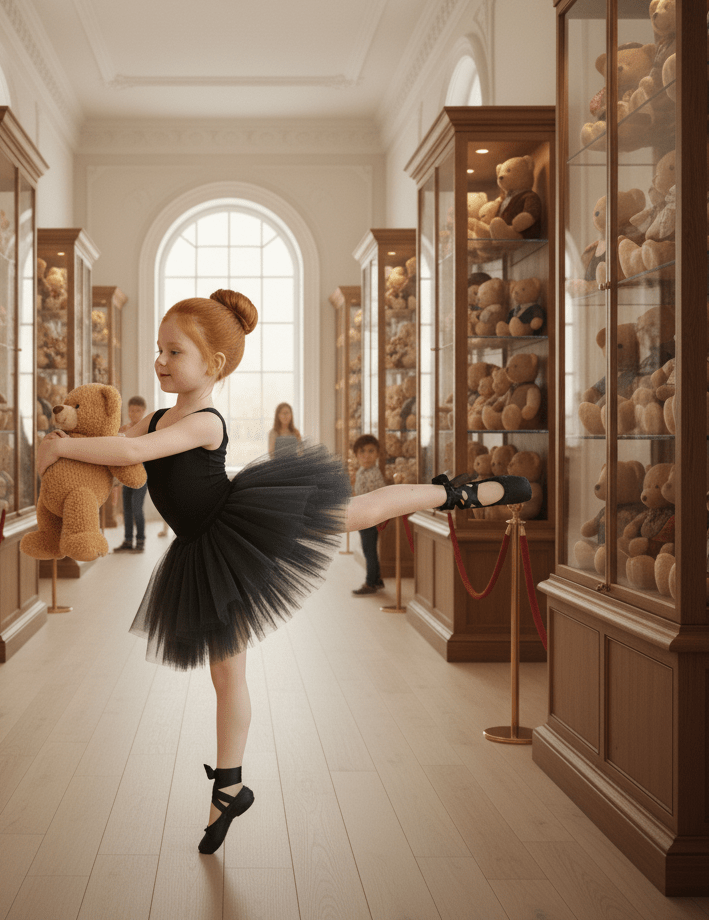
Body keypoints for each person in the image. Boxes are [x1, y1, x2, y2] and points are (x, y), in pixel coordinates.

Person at [36, 289, 530, 856]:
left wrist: (64, 449)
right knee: (226, 677)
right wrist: (64, 444)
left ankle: (450, 493)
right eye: (158, 349)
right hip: (204, 554)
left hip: (238, 529)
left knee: (355, 512)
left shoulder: (203, 422)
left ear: (213, 365)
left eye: (174, 352)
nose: (160, 361)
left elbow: (130, 454)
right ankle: (230, 786)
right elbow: (114, 445)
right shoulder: (156, 414)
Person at [349, 433, 386, 595]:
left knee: (369, 550)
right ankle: (377, 579)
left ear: (378, 454)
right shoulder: (361, 472)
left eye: (371, 451)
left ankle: (371, 582)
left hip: (370, 517)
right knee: (368, 549)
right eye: (362, 452)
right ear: (356, 455)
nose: (366, 456)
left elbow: (378, 497)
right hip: (362, 516)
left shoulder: (373, 474)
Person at [113, 395, 148, 553]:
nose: (134, 414)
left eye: (138, 411)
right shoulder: (124, 430)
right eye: (132, 411)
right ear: (128, 411)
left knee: (136, 507)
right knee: (126, 507)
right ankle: (128, 540)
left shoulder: (146, 430)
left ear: (143, 411)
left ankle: (140, 541)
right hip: (126, 474)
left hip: (141, 475)